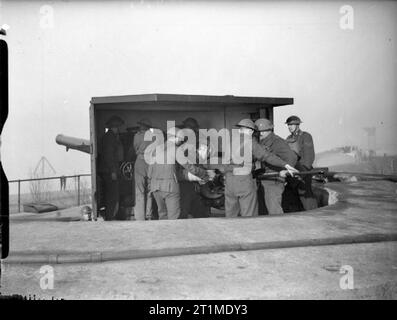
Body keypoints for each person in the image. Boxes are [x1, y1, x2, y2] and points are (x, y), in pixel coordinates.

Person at [223, 119, 298, 218]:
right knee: (249, 213)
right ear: (251, 131)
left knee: (231, 213)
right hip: (244, 180)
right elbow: (266, 156)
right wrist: (285, 165)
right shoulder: (251, 142)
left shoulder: (231, 142)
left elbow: (225, 163)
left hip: (230, 181)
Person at [147, 127, 214, 220]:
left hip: (156, 187)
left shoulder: (156, 149)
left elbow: (150, 171)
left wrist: (151, 186)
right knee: (175, 217)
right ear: (176, 138)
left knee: (162, 215)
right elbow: (189, 166)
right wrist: (204, 174)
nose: (181, 141)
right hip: (170, 187)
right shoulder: (176, 150)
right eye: (180, 139)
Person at [255, 118, 298, 215]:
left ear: (270, 130)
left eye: (263, 131)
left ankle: (279, 228)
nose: (261, 133)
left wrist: (285, 172)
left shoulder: (278, 142)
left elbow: (292, 157)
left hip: (274, 179)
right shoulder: (262, 141)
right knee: (265, 209)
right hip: (265, 178)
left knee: (274, 209)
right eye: (259, 131)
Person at [178, 117, 212, 219]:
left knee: (194, 209)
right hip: (189, 180)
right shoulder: (186, 141)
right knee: (190, 208)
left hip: (193, 179)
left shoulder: (197, 141)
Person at [285, 115, 318, 210]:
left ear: (298, 125)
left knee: (305, 194)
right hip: (293, 170)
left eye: (292, 125)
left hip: (304, 171)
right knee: (293, 195)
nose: (289, 127)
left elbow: (309, 156)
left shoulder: (305, 136)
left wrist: (303, 172)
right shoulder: (288, 138)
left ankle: (314, 213)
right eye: (288, 125)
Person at [99, 115, 124, 221]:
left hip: (108, 170)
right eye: (118, 127)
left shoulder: (110, 137)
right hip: (110, 171)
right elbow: (109, 156)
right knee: (112, 195)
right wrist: (113, 171)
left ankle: (110, 215)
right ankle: (110, 216)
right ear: (115, 127)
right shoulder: (110, 138)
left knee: (111, 194)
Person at [133, 118, 153, 221]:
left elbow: (135, 148)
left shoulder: (137, 136)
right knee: (149, 190)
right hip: (150, 162)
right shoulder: (154, 137)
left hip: (140, 161)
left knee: (140, 190)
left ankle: (140, 217)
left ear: (141, 126)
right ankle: (148, 215)